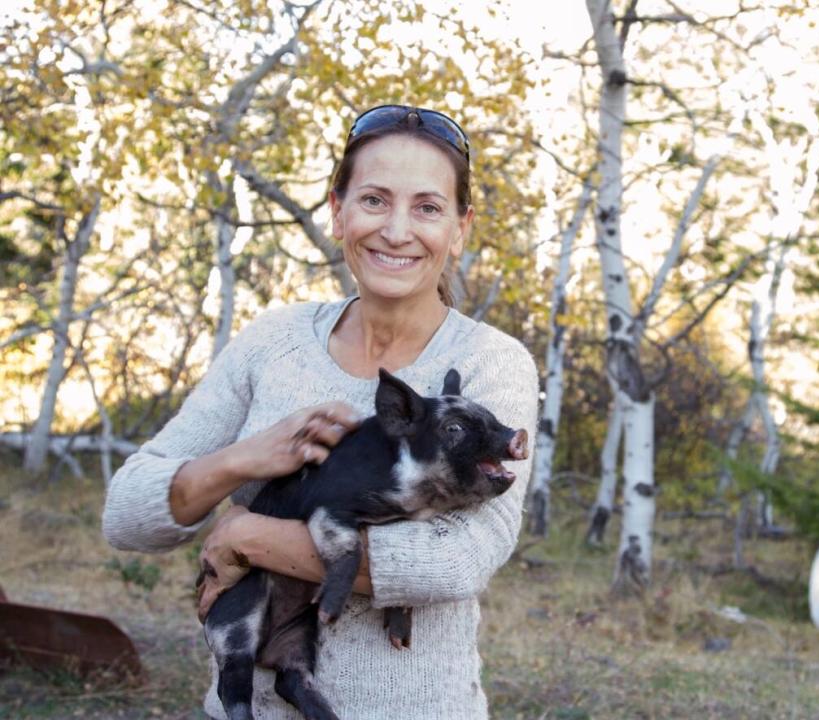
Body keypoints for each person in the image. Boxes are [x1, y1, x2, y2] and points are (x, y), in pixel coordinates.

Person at [102, 104, 539, 720]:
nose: (396, 230)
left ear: (460, 229)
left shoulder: (491, 362)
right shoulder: (273, 342)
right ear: (338, 212)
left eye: (428, 208)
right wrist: (243, 459)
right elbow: (127, 514)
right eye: (374, 200)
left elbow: (458, 557)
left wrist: (248, 534)